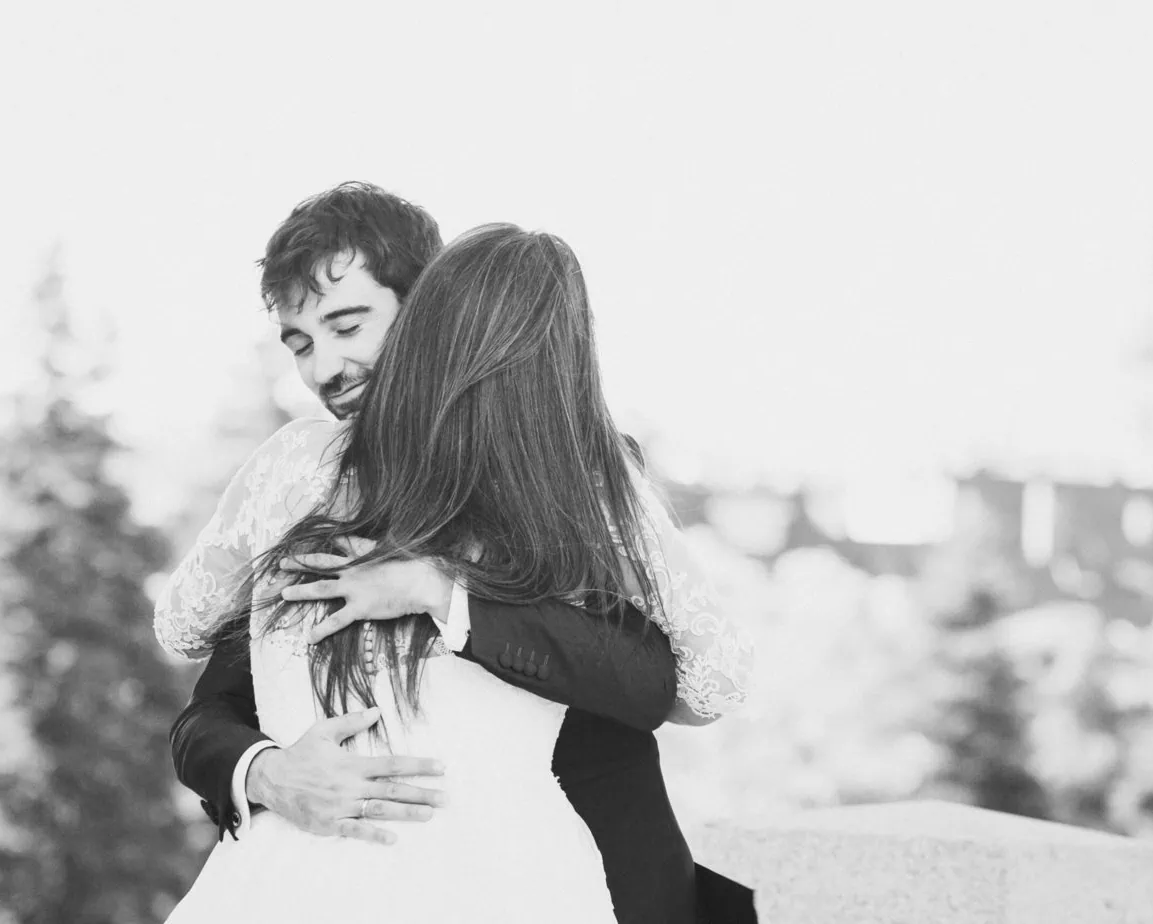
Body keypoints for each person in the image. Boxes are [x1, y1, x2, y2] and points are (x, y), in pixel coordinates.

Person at [155, 212, 754, 921]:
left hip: (570, 879)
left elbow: (664, 681)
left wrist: (445, 594)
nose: (323, 370)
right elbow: (214, 700)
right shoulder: (298, 481)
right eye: (299, 344)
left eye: (348, 328)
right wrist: (268, 772)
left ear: (428, 315)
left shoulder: (567, 471)